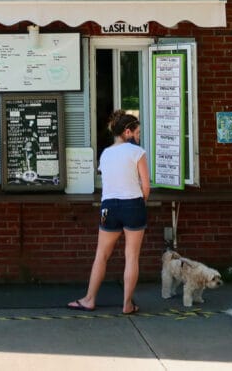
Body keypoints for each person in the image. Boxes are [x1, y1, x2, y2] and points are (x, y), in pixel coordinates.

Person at [67, 110, 148, 315]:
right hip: (133, 204)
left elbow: (108, 180)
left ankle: (89, 299)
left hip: (109, 206)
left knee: (101, 255)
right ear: (127, 132)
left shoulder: (105, 153)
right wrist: (140, 203)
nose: (138, 136)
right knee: (131, 257)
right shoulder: (137, 152)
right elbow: (145, 186)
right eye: (137, 132)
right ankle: (127, 304)